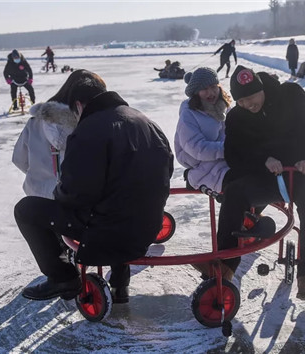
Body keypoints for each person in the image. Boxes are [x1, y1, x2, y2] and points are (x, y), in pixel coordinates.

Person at [14, 71, 173, 304]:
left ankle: (63, 277)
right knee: (118, 201)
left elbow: (76, 193)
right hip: (148, 227)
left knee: (26, 210)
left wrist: (58, 195)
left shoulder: (88, 131)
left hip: (108, 233)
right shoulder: (146, 121)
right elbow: (166, 171)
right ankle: (120, 285)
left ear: (78, 105)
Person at [221, 65, 305, 300]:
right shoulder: (236, 116)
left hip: (302, 174)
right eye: (242, 102)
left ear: (261, 89)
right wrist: (262, 160)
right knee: (234, 192)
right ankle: (223, 267)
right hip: (266, 179)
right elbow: (233, 154)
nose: (248, 105)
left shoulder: (291, 95)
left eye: (251, 98)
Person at [12, 70, 92, 199]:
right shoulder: (91, 125)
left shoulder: (34, 124)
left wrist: (39, 174)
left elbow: (19, 159)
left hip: (37, 195)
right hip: (75, 199)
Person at [175, 67, 231, 193]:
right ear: (196, 92)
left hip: (224, 160)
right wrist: (228, 149)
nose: (210, 93)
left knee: (258, 177)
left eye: (213, 87)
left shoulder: (223, 107)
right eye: (204, 89)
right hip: (199, 163)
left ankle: (252, 212)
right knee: (239, 185)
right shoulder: (189, 114)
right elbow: (195, 147)